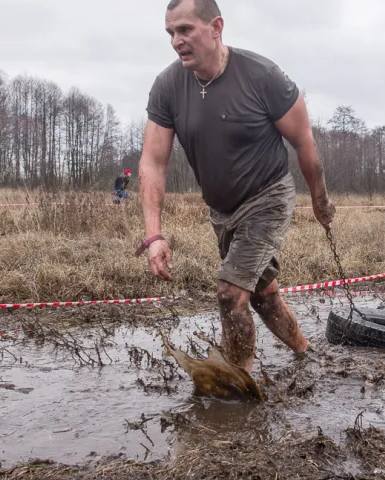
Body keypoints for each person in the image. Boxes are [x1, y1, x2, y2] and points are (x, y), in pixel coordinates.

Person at [136, 0, 335, 373]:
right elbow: (153, 161)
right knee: (263, 295)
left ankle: (236, 391)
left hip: (268, 197)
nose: (176, 41)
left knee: (230, 293)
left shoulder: (262, 76)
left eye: (185, 30)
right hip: (222, 211)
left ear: (216, 27)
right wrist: (153, 235)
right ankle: (306, 355)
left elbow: (304, 142)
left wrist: (320, 200)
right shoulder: (167, 86)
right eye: (170, 33)